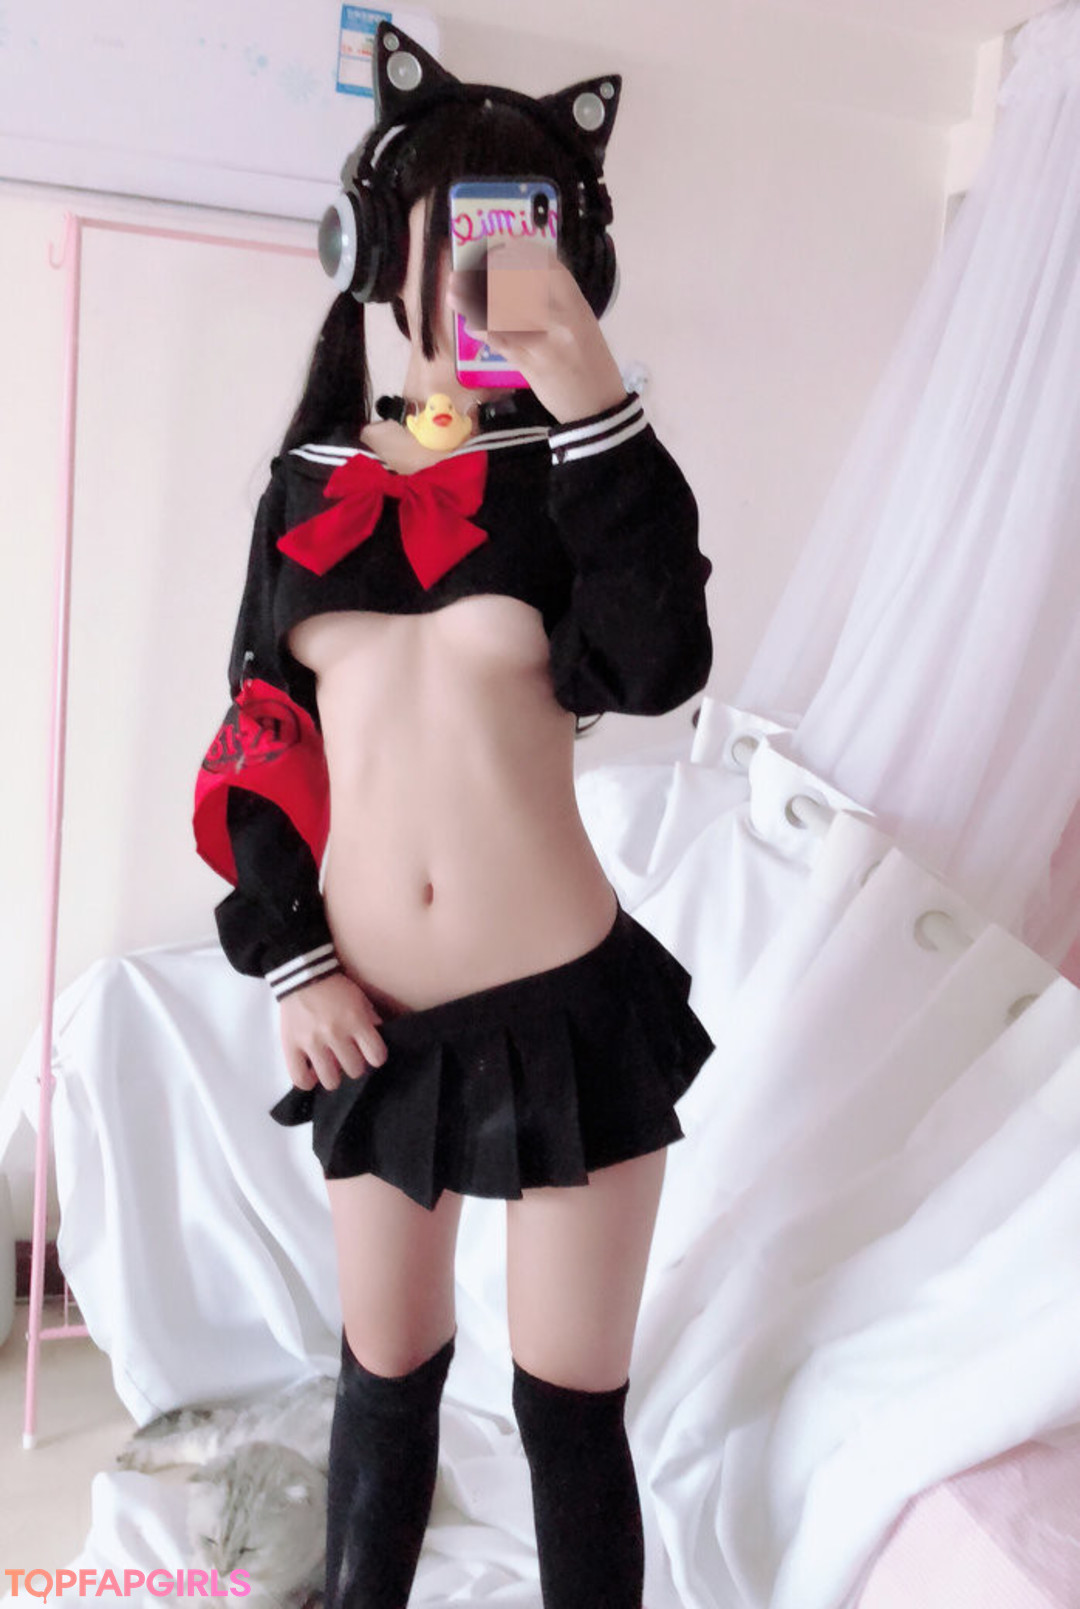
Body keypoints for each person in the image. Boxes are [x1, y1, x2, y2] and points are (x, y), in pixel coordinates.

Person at [194, 22, 714, 1609]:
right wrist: (292, 958)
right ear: (376, 255)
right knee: (384, 1377)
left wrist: (589, 392)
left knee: (567, 1414)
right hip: (371, 1022)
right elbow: (259, 737)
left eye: (524, 235)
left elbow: (658, 663)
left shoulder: (579, 472)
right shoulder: (309, 482)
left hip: (565, 1014)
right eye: (463, 237)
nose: (490, 277)